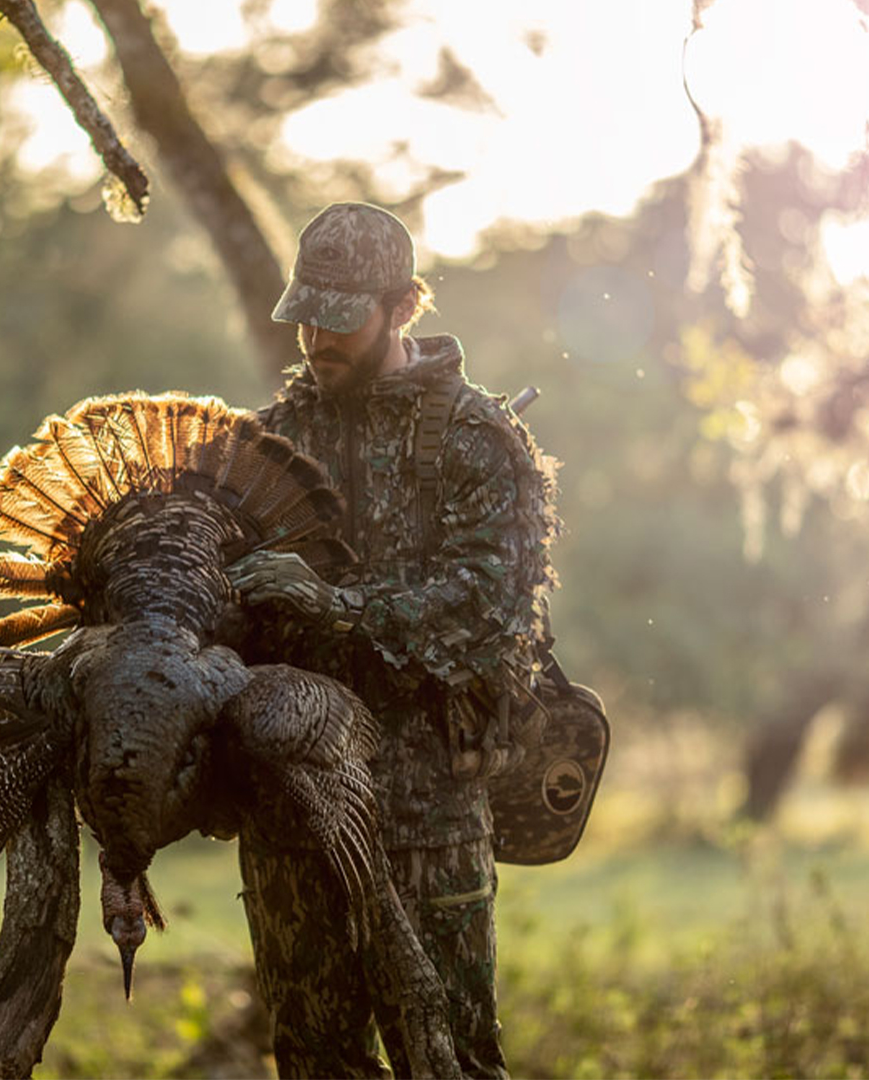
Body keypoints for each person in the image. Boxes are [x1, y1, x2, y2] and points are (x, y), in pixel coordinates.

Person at [226, 201, 559, 1078]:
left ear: (405, 306)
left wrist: (335, 605)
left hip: (428, 815)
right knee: (313, 1059)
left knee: (449, 1058)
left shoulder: (479, 440)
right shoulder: (271, 438)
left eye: (341, 320)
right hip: (293, 811)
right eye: (307, 316)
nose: (317, 340)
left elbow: (487, 608)